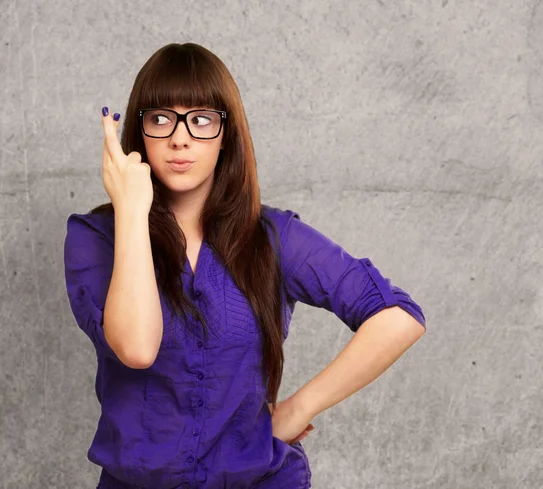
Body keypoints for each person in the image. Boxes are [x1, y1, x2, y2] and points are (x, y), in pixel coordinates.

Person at [63, 42, 427, 489]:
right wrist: (132, 210)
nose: (180, 138)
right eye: (160, 118)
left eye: (201, 120)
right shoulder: (95, 238)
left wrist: (299, 407)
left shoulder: (273, 236)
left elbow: (398, 318)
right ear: (138, 132)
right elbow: (138, 348)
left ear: (226, 134)